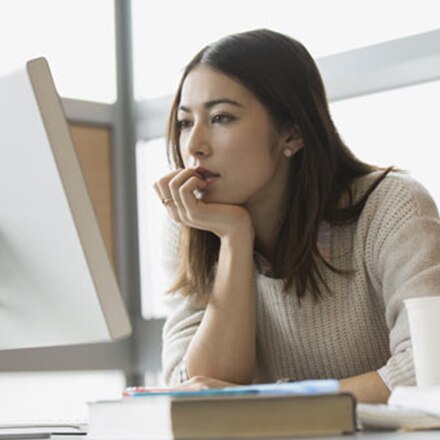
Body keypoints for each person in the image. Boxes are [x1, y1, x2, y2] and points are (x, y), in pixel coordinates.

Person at [153, 28, 440, 403]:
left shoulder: (391, 206)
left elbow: (427, 370)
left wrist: (275, 403)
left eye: (222, 118)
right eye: (186, 122)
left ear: (292, 133)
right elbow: (197, 388)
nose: (194, 146)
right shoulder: (194, 223)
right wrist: (235, 240)